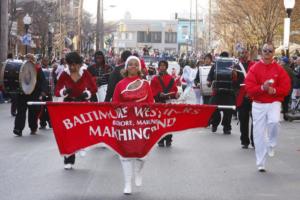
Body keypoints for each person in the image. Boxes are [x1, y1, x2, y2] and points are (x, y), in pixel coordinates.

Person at [245, 43, 291, 172]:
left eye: (270, 51)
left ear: (273, 53)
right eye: (265, 50)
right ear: (261, 52)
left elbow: (286, 87)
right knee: (258, 134)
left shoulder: (279, 69)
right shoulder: (254, 68)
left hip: (273, 103)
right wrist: (262, 88)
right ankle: (260, 163)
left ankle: (272, 144)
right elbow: (249, 88)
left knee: (274, 122)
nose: (267, 53)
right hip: (258, 104)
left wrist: (274, 91)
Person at [112, 56, 154, 194]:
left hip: (142, 123)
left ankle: (138, 172)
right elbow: (115, 103)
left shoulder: (145, 84)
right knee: (125, 154)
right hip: (125, 123)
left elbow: (151, 103)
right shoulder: (120, 85)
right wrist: (126, 107)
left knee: (142, 154)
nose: (133, 67)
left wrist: (142, 107)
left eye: (136, 65)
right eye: (130, 64)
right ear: (126, 67)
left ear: (139, 68)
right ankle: (127, 183)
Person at [55, 51, 97, 170]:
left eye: (74, 65)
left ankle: (82, 145)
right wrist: (64, 91)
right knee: (68, 132)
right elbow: (57, 91)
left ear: (79, 64)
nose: (72, 67)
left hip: (82, 104)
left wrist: (87, 93)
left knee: (81, 128)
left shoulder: (85, 73)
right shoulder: (64, 74)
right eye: (70, 65)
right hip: (68, 104)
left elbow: (94, 88)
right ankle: (68, 158)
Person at [13, 54, 47, 136]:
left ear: (33, 60)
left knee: (33, 112)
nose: (28, 60)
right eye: (26, 58)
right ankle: (18, 129)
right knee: (20, 112)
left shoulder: (38, 69)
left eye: (30, 59)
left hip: (34, 93)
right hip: (22, 93)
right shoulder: (20, 68)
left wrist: (43, 90)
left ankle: (33, 128)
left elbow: (43, 81)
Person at [207, 52, 237, 134]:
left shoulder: (233, 66)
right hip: (217, 92)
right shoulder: (215, 66)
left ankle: (226, 127)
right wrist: (208, 82)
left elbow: (236, 80)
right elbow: (209, 78)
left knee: (229, 111)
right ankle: (215, 124)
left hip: (229, 92)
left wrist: (234, 74)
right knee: (213, 108)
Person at [151, 60, 179, 147]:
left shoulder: (171, 78)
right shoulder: (155, 78)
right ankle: (160, 140)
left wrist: (176, 94)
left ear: (166, 67)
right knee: (159, 122)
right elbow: (152, 90)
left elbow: (174, 90)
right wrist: (159, 94)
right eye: (161, 65)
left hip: (169, 102)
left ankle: (169, 139)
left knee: (169, 121)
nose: (162, 67)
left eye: (164, 65)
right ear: (158, 67)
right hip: (159, 102)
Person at [235, 49, 256, 149]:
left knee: (255, 120)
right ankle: (244, 141)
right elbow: (234, 84)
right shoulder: (236, 66)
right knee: (243, 120)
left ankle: (254, 141)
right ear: (240, 54)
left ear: (248, 54)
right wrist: (233, 77)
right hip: (242, 97)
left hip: (254, 96)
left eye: (246, 53)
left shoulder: (254, 65)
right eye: (242, 53)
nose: (244, 54)